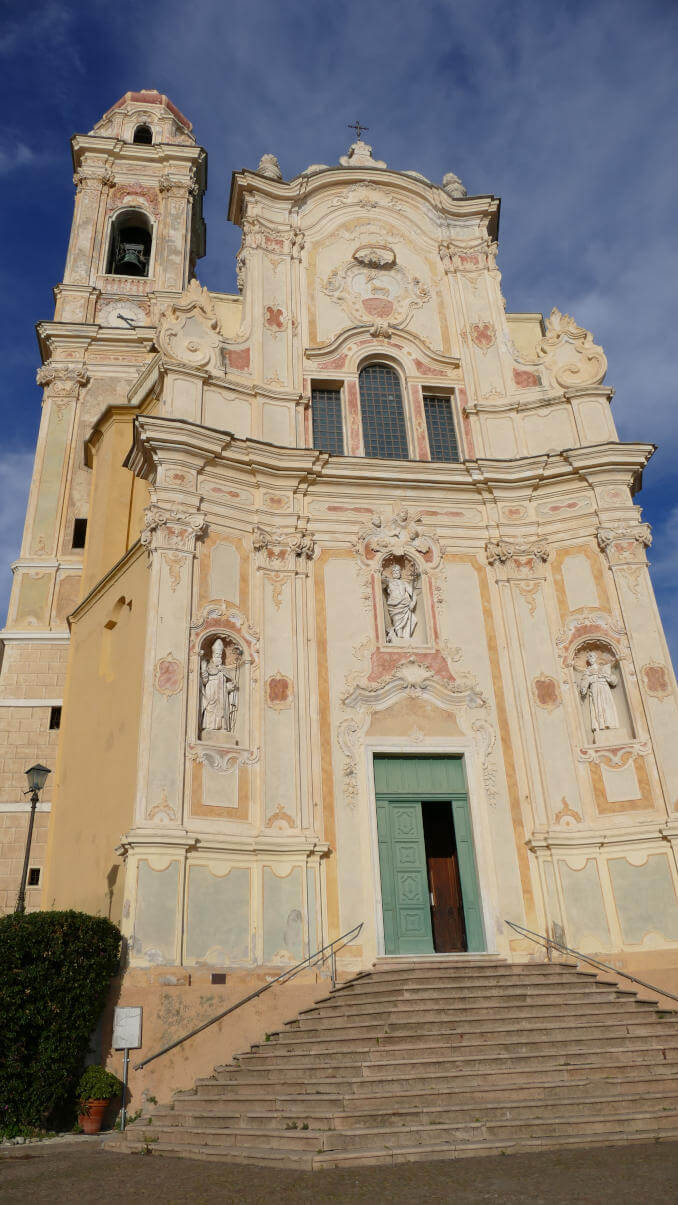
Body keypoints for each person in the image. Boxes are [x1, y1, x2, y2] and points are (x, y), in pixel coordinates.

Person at [200, 638, 238, 732]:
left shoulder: (223, 669)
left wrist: (229, 686)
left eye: (220, 655)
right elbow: (204, 681)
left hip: (222, 695)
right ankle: (209, 727)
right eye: (216, 654)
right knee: (210, 709)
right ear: (213, 654)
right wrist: (204, 669)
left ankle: (222, 728)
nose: (218, 656)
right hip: (211, 692)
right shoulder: (208, 666)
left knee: (222, 711)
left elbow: (228, 681)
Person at [579, 651, 618, 740]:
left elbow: (613, 680)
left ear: (595, 658)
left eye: (592, 657)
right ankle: (601, 726)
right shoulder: (587, 671)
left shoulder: (603, 668)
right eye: (589, 658)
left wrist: (608, 678)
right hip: (595, 688)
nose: (591, 659)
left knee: (607, 706)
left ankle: (610, 724)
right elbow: (584, 682)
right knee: (597, 707)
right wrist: (584, 688)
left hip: (604, 688)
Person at [383, 564, 417, 641]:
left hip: (404, 604)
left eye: (397, 570)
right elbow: (381, 580)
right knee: (398, 622)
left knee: (413, 620)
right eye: (394, 571)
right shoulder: (389, 582)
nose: (396, 572)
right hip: (394, 605)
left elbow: (413, 594)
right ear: (392, 573)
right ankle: (399, 639)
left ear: (400, 572)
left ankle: (406, 637)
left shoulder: (404, 583)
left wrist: (413, 603)